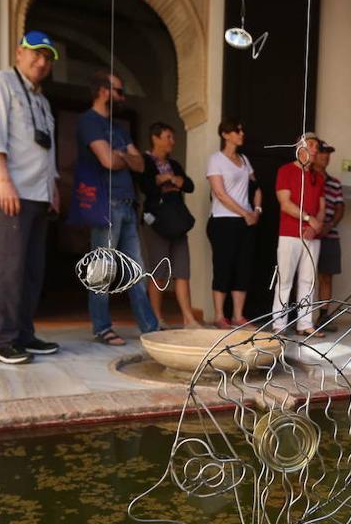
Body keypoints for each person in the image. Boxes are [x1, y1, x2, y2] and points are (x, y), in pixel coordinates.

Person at [0, 31, 62, 364]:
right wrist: (3, 181)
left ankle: (24, 334)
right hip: (10, 191)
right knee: (9, 269)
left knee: (32, 270)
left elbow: (46, 150)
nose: (42, 62)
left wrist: (53, 187)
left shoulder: (42, 100)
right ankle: (1, 340)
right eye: (36, 53)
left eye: (48, 57)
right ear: (19, 53)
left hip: (38, 194)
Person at [79, 69, 159, 346]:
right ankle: (102, 327)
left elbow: (141, 165)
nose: (122, 97)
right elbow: (108, 162)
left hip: (128, 204)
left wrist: (120, 155)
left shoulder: (120, 129)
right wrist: (124, 156)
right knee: (103, 270)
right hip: (106, 204)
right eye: (119, 91)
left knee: (137, 270)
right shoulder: (89, 121)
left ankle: (150, 327)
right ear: (104, 91)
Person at [139, 121, 200, 329]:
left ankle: (189, 319)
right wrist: (160, 181)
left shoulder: (174, 164)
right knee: (158, 271)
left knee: (182, 270)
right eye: (168, 137)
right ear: (155, 138)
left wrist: (172, 180)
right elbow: (145, 186)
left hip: (177, 222)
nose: (172, 141)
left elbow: (188, 185)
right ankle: (156, 319)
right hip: (157, 222)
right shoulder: (145, 161)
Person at [206, 119, 261, 328]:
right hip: (222, 221)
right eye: (237, 131)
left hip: (245, 222)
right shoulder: (216, 160)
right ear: (225, 135)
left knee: (243, 267)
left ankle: (238, 316)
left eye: (241, 130)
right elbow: (219, 193)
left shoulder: (244, 160)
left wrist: (256, 211)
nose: (241, 133)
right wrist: (244, 213)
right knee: (223, 266)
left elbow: (256, 187)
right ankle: (219, 315)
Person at [272, 134, 326, 335]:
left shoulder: (318, 177)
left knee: (308, 281)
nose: (315, 149)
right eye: (311, 145)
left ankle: (305, 324)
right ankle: (279, 325)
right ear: (299, 147)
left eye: (317, 146)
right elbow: (285, 203)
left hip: (312, 236)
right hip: (290, 234)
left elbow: (322, 207)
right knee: (285, 280)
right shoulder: (285, 170)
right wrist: (308, 219)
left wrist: (315, 225)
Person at [314, 140, 344, 327]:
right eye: (322, 152)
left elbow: (340, 207)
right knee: (304, 276)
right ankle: (298, 316)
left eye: (328, 153)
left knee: (326, 276)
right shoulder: (307, 177)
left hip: (330, 235)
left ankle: (323, 316)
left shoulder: (334, 183)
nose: (326, 156)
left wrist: (330, 224)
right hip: (309, 234)